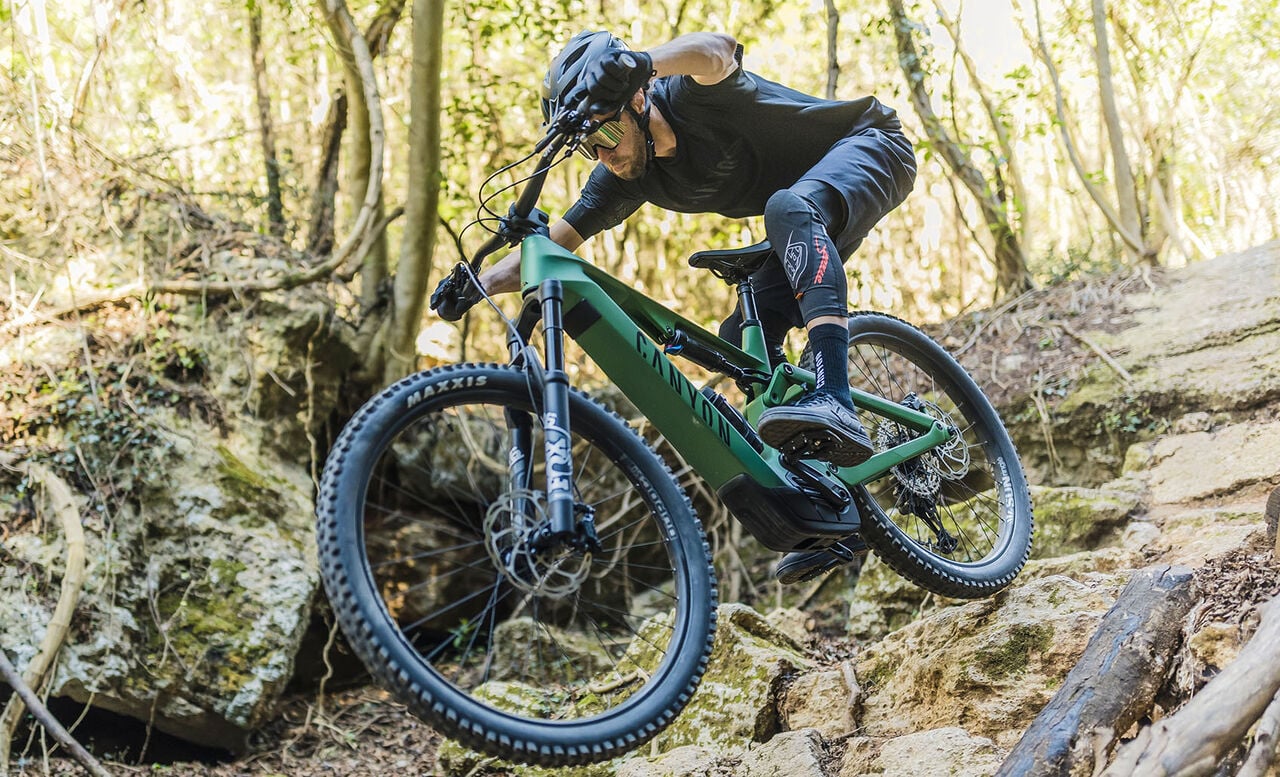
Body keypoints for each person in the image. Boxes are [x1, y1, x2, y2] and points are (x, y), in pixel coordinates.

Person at [432, 30, 917, 581]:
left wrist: (638, 63)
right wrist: (477, 281)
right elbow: (552, 243)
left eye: (609, 131)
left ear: (638, 99)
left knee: (788, 207)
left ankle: (835, 398)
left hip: (871, 145)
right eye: (591, 146)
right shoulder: (621, 179)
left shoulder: (689, 95)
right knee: (743, 345)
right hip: (800, 222)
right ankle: (836, 510)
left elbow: (719, 51)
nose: (606, 153)